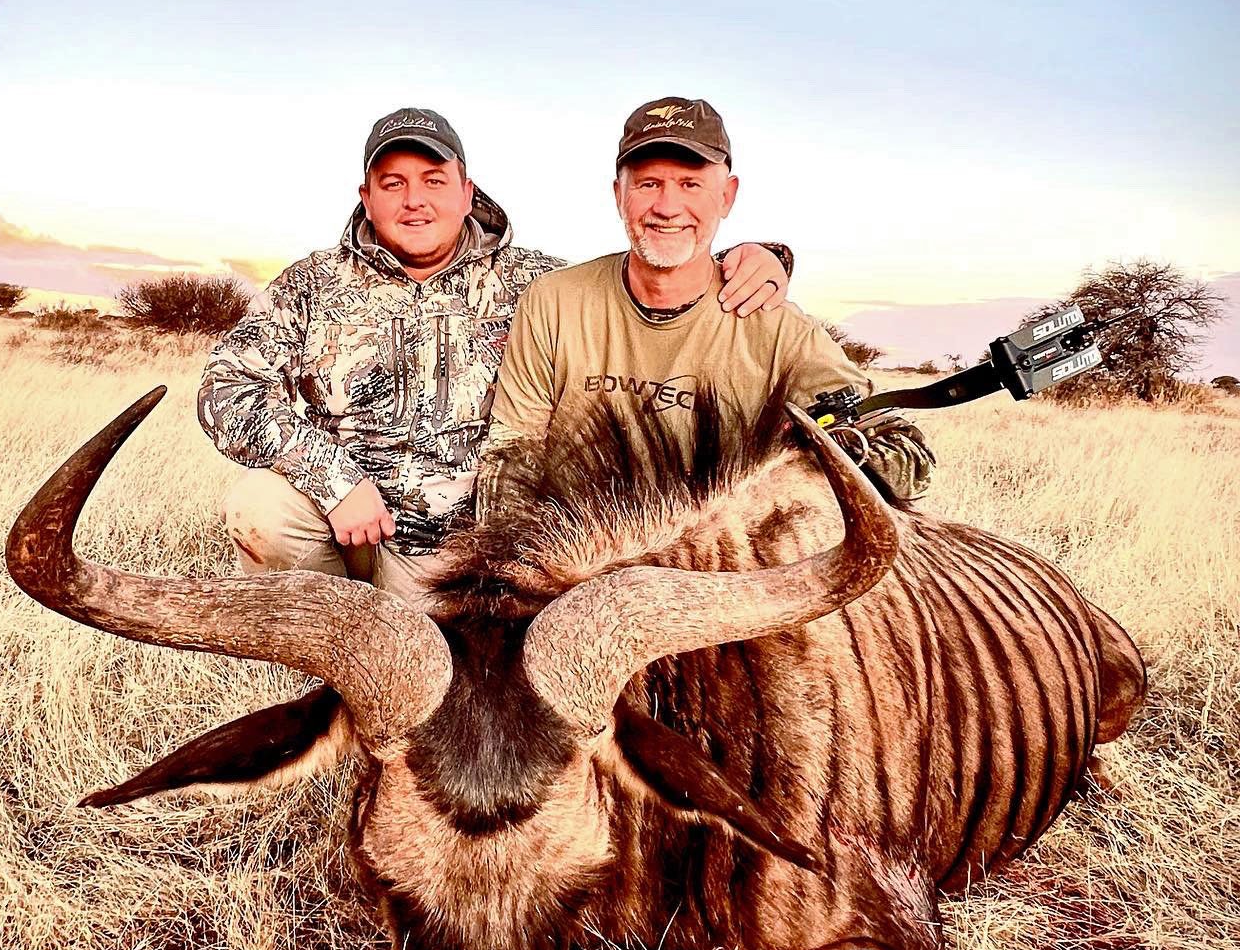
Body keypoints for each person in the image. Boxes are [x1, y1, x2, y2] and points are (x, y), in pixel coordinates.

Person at [197, 106, 794, 609]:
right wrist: (333, 479)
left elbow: (649, 283)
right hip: (344, 516)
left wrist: (763, 256)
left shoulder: (537, 283)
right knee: (258, 507)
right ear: (366, 196)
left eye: (434, 180)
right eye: (392, 183)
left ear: (466, 191)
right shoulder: (313, 284)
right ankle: (332, 651)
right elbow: (223, 387)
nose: (414, 201)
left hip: (466, 546)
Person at [480, 95, 933, 505]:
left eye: (691, 184)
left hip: (717, 575)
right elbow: (511, 457)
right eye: (648, 184)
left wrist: (824, 447)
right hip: (574, 563)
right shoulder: (553, 301)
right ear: (619, 195)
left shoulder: (775, 325)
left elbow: (910, 460)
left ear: (727, 196)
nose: (668, 206)